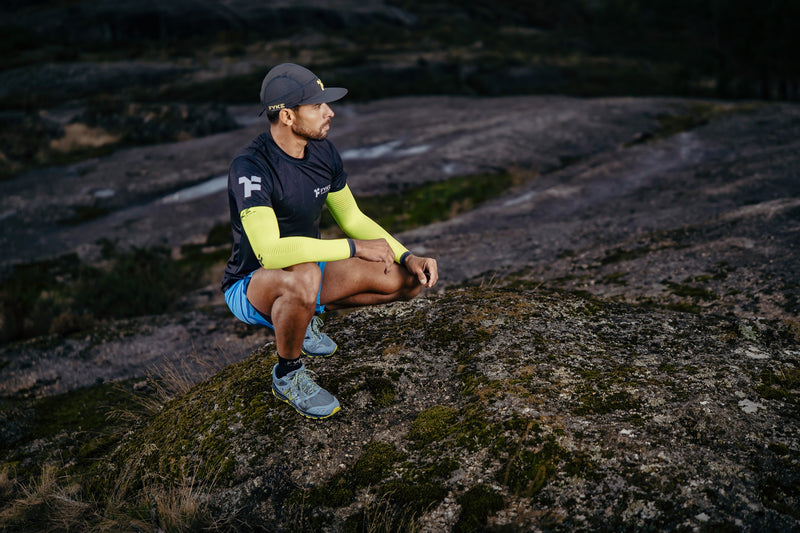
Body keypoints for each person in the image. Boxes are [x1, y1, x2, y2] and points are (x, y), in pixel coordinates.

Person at [221, 63, 439, 419]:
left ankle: (303, 316)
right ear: (288, 116)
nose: (330, 112)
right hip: (253, 283)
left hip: (309, 269)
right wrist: (353, 249)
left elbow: (352, 218)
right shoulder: (251, 167)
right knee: (303, 275)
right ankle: (288, 375)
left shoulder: (323, 152)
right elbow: (270, 252)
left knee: (408, 282)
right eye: (318, 106)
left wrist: (408, 256)